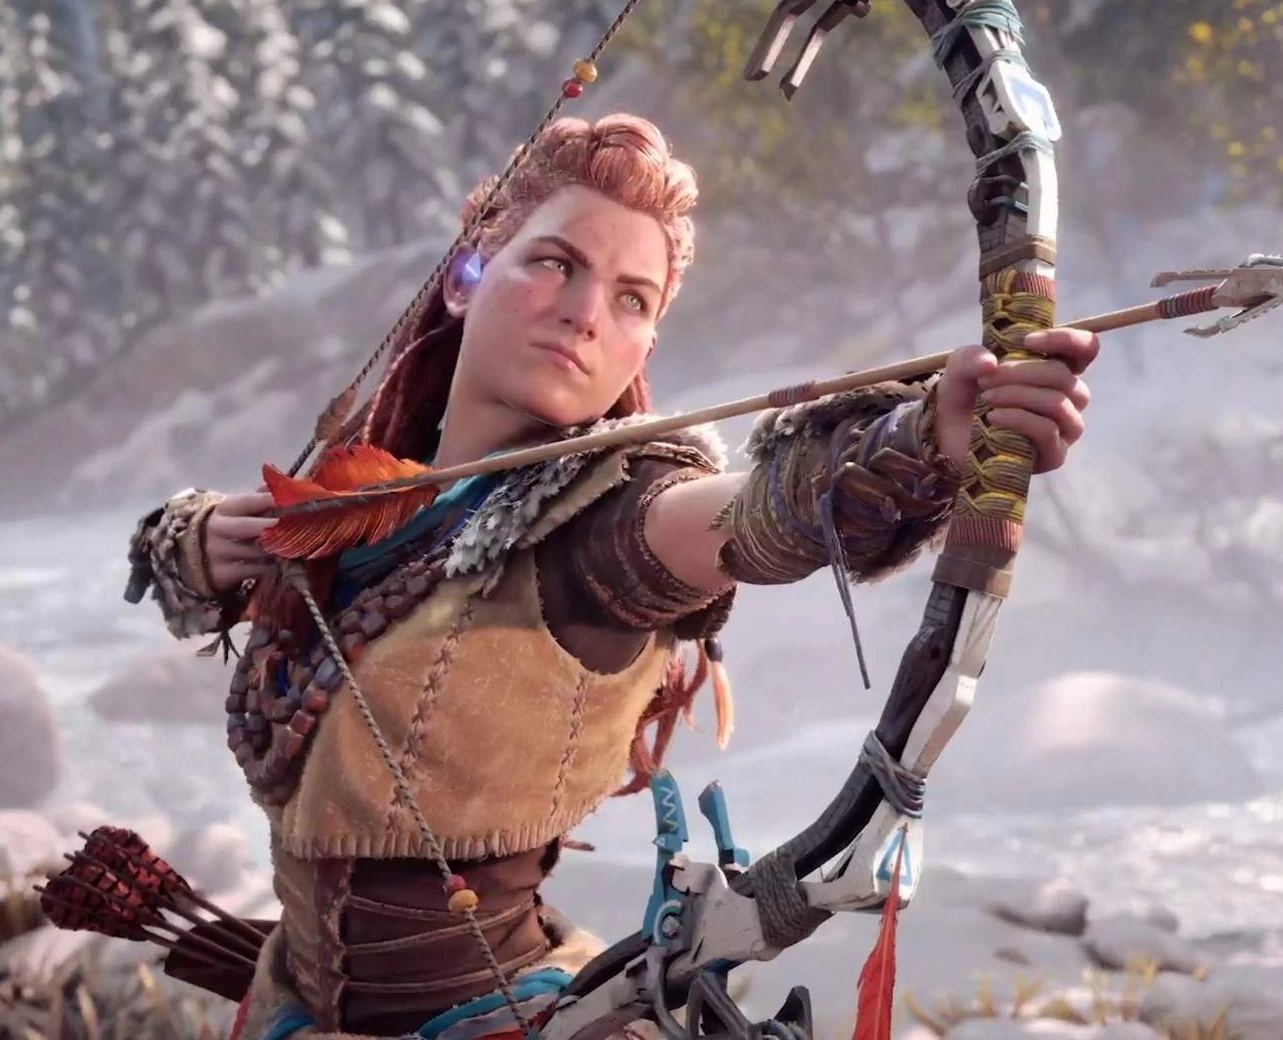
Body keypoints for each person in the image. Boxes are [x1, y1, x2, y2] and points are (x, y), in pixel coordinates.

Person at [122, 112, 1097, 1039]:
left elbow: (750, 517)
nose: (585, 315)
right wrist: (196, 539)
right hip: (289, 1003)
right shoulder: (375, 497)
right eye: (555, 263)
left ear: (645, 343)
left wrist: (927, 444)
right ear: (465, 276)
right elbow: (233, 568)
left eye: (632, 299)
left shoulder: (607, 517)